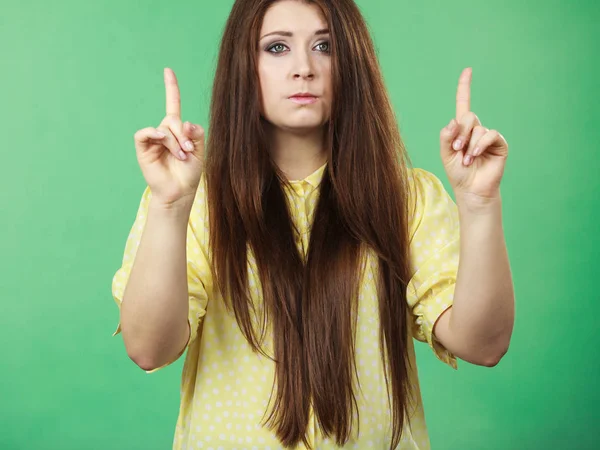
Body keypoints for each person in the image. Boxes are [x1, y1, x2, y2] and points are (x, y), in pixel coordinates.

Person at [111, 0, 515, 449]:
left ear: (353, 63)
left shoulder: (406, 198)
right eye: (277, 47)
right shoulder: (197, 201)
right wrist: (170, 206)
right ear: (244, 66)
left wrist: (479, 204)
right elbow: (148, 347)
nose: (304, 68)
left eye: (324, 45)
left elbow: (484, 344)